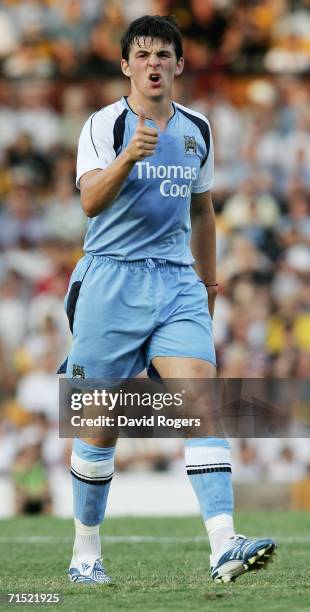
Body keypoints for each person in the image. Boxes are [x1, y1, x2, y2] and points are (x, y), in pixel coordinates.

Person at [58, 15, 276, 585]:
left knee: (201, 399)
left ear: (179, 64)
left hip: (177, 280)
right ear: (126, 65)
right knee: (98, 422)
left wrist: (207, 283)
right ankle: (86, 553)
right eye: (143, 54)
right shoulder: (103, 126)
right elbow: (89, 204)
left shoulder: (197, 129)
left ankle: (224, 544)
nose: (154, 62)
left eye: (164, 54)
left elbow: (202, 209)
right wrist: (128, 157)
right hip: (110, 281)